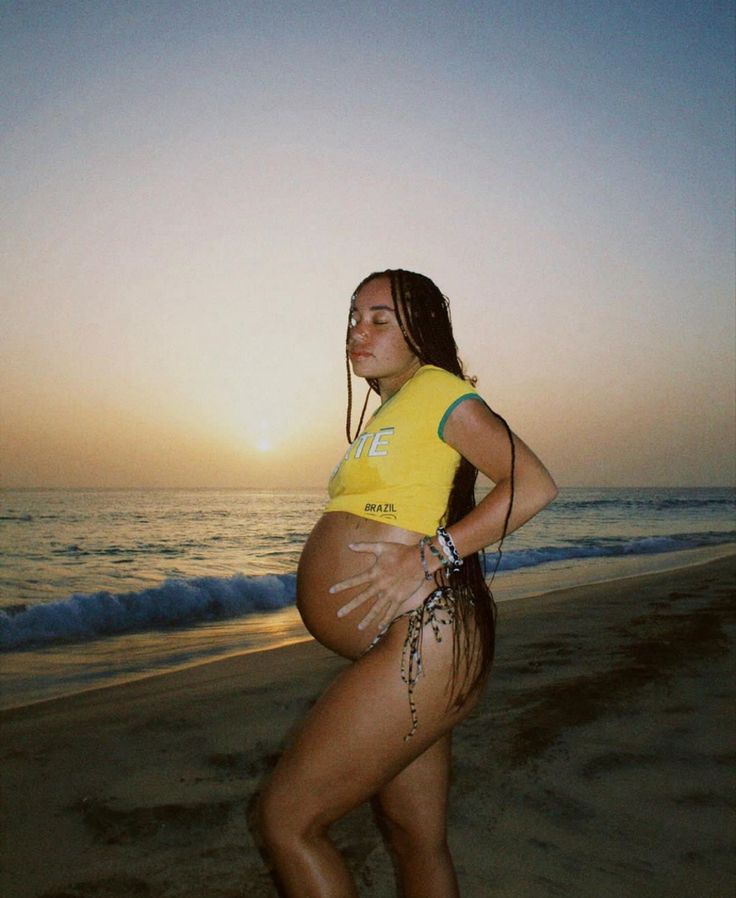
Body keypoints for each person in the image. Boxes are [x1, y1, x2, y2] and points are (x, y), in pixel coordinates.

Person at [259, 269, 558, 897]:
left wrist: (432, 554)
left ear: (420, 330)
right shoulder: (397, 407)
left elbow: (531, 484)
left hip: (426, 641)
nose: (356, 332)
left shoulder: (439, 391)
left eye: (378, 319)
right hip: (415, 647)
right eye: (352, 317)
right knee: (413, 837)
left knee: (287, 821)